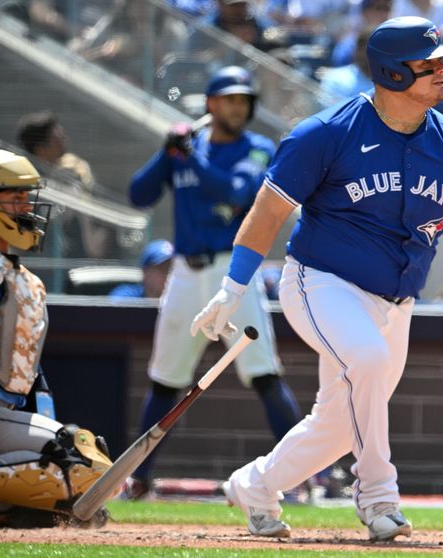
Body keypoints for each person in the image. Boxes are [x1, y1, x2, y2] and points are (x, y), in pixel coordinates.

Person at [189, 16, 443, 540]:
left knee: (341, 421)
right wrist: (233, 288)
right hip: (321, 282)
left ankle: (254, 485)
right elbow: (267, 212)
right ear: (392, 74)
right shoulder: (326, 133)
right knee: (365, 363)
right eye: (429, 64)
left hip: (397, 301)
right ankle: (377, 497)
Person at [124, 66, 305, 500]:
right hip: (184, 273)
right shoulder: (188, 148)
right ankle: (140, 476)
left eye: (244, 100)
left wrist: (188, 157)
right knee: (166, 379)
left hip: (234, 273)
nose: (238, 107)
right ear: (211, 104)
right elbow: (137, 195)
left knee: (263, 372)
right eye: (229, 99)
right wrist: (165, 151)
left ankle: (302, 474)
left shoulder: (257, 148)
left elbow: (238, 192)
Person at [0, 149, 113, 527]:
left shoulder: (25, 281)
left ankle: (15, 508)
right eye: (14, 197)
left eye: (26, 197)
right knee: (72, 456)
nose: (25, 207)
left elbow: (35, 380)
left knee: (85, 457)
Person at [16, 111, 111, 260]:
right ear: (41, 149)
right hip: (38, 268)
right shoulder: (25, 187)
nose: (64, 143)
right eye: (57, 140)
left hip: (64, 269)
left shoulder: (67, 179)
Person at [109, 239, 175, 300]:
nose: (169, 274)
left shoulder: (180, 300)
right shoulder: (126, 296)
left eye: (173, 269)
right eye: (164, 268)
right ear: (146, 272)